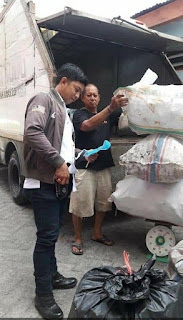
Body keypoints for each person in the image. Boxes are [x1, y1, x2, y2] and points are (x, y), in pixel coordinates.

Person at [23, 63, 88, 319]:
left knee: (52, 235)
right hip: (44, 182)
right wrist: (59, 163)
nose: (78, 95)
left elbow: (63, 145)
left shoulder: (63, 108)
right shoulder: (44, 99)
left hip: (61, 183)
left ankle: (52, 275)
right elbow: (32, 131)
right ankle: (43, 295)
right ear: (63, 81)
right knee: (46, 238)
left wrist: (78, 157)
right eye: (76, 89)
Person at [69, 83, 128, 255]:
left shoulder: (108, 114)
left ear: (99, 97)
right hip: (84, 167)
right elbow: (87, 126)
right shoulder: (79, 114)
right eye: (89, 95)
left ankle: (96, 233)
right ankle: (78, 238)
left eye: (95, 95)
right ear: (83, 98)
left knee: (103, 204)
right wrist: (110, 108)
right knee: (79, 205)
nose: (92, 98)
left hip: (103, 166)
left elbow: (125, 110)